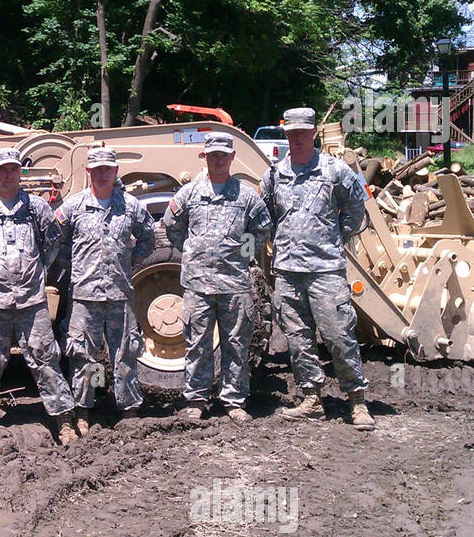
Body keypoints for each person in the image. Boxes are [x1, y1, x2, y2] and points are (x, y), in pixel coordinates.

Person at [0, 147, 78, 444]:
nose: (8, 174)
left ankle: (64, 420)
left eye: (13, 169)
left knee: (44, 358)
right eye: (3, 169)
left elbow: (53, 246)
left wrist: (32, 272)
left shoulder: (36, 208)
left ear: (19, 173)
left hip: (30, 299)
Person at [264, 106, 375, 430]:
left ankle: (357, 401)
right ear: (286, 135)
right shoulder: (273, 175)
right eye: (291, 133)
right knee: (298, 339)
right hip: (288, 271)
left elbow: (356, 209)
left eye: (303, 132)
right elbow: (268, 216)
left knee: (339, 336)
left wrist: (335, 236)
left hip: (325, 269)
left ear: (313, 133)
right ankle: (312, 399)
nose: (297, 138)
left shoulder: (335, 171)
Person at [160, 133, 272, 422]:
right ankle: (196, 400)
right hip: (198, 284)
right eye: (213, 155)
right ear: (204, 157)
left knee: (236, 344)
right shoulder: (189, 193)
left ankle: (233, 401)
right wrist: (193, 250)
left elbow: (262, 229)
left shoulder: (246, 196)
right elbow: (171, 226)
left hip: (235, 284)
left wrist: (241, 253)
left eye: (224, 154)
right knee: (197, 343)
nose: (219, 159)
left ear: (232, 157)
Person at [55, 146, 155, 434]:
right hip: (85, 296)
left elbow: (148, 239)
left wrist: (127, 260)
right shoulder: (73, 207)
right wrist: (76, 267)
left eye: (107, 170)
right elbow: (57, 242)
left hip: (120, 296)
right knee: (83, 355)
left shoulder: (132, 206)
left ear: (115, 172)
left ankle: (129, 409)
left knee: (124, 353)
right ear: (88, 172)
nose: (102, 174)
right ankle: (84, 411)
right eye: (96, 169)